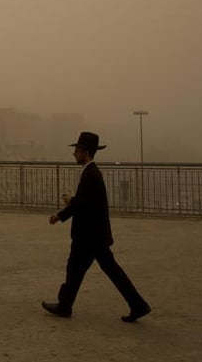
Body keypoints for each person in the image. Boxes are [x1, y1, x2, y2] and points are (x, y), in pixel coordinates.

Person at [41, 131, 151, 322]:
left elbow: (86, 205)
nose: (74, 154)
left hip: (89, 236)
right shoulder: (91, 172)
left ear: (85, 151)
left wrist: (70, 202)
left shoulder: (91, 175)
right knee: (88, 270)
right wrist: (60, 215)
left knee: (79, 269)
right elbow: (84, 203)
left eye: (76, 150)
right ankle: (137, 305)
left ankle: (65, 306)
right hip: (94, 236)